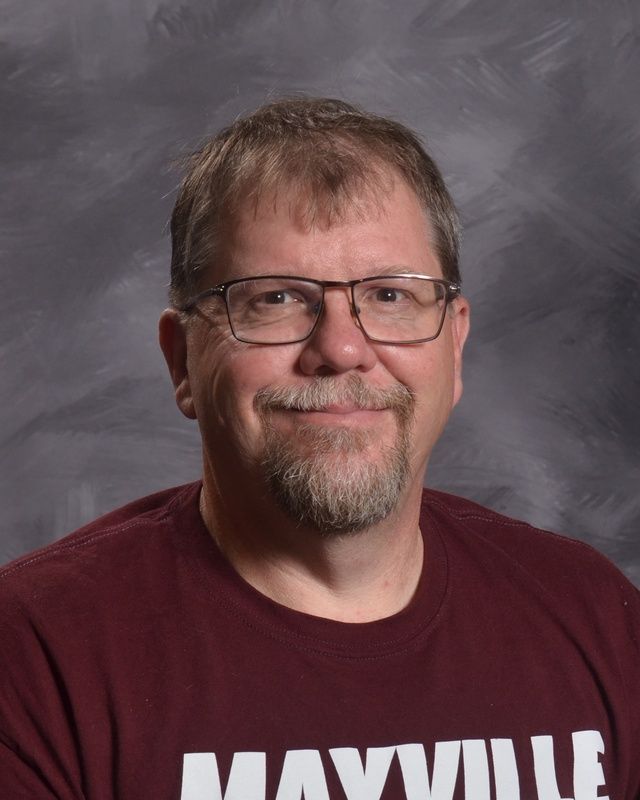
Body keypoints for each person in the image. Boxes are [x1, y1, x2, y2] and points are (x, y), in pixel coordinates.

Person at [0, 97, 638, 800]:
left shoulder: (595, 616)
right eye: (275, 299)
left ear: (453, 347)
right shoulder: (34, 656)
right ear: (182, 361)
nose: (340, 348)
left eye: (392, 295)